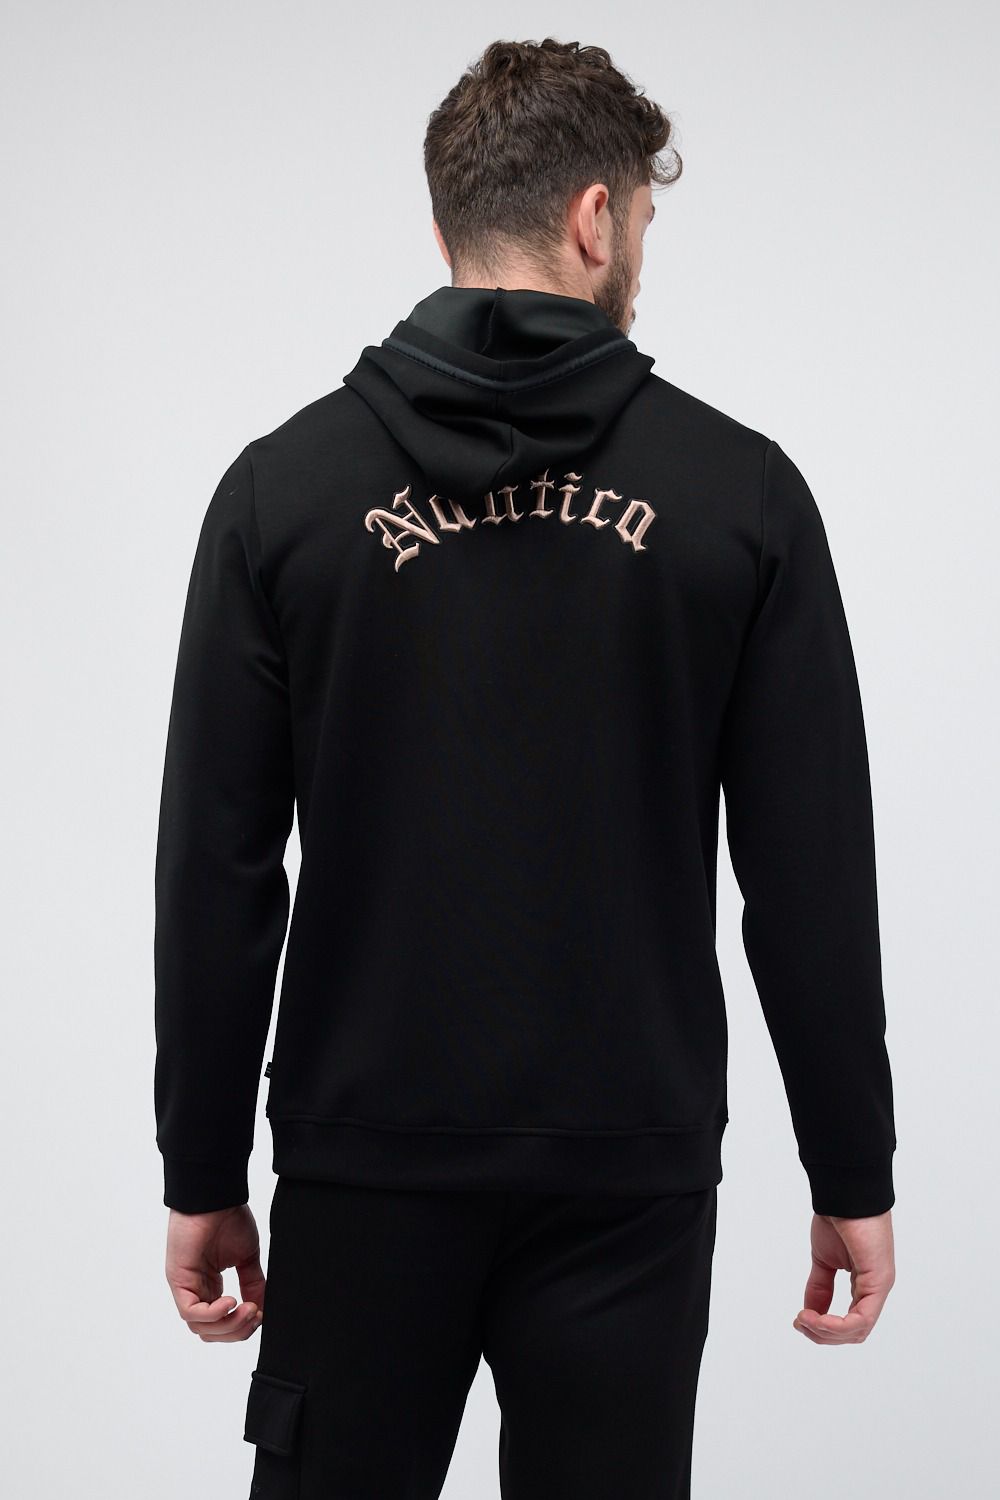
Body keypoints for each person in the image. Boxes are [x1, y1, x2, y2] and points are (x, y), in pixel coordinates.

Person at [154, 36, 897, 1500]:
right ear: (596, 218)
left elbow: (217, 871)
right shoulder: (740, 497)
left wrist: (202, 1169)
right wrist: (851, 1170)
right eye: (644, 225)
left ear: (447, 228)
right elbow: (811, 876)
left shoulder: (281, 495)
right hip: (629, 1170)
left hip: (364, 1160)